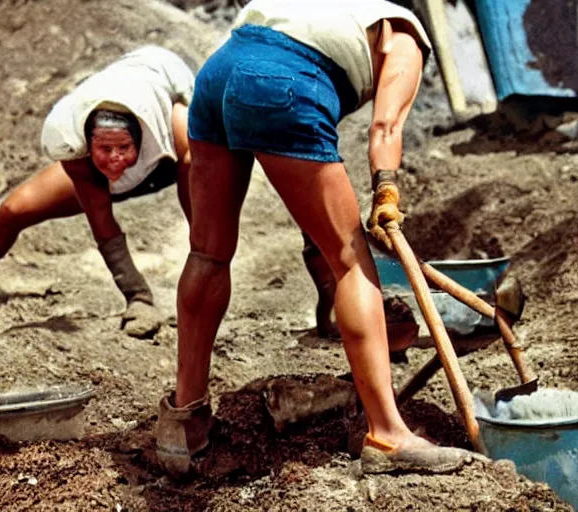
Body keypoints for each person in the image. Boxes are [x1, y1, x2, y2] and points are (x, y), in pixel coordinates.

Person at [155, 0, 480, 476]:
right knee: (351, 261)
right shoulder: (403, 31)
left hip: (220, 70)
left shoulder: (326, 7)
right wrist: (386, 190)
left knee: (208, 251)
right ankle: (388, 434)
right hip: (280, 80)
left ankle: (183, 424)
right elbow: (385, 126)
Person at [0, 46, 195, 340]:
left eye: (123, 148)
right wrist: (138, 296)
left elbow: (201, 188)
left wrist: (203, 256)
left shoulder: (177, 126)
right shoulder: (74, 145)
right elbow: (102, 221)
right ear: (87, 145)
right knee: (14, 210)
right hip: (109, 160)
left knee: (200, 213)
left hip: (170, 162)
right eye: (104, 149)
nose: (115, 158)